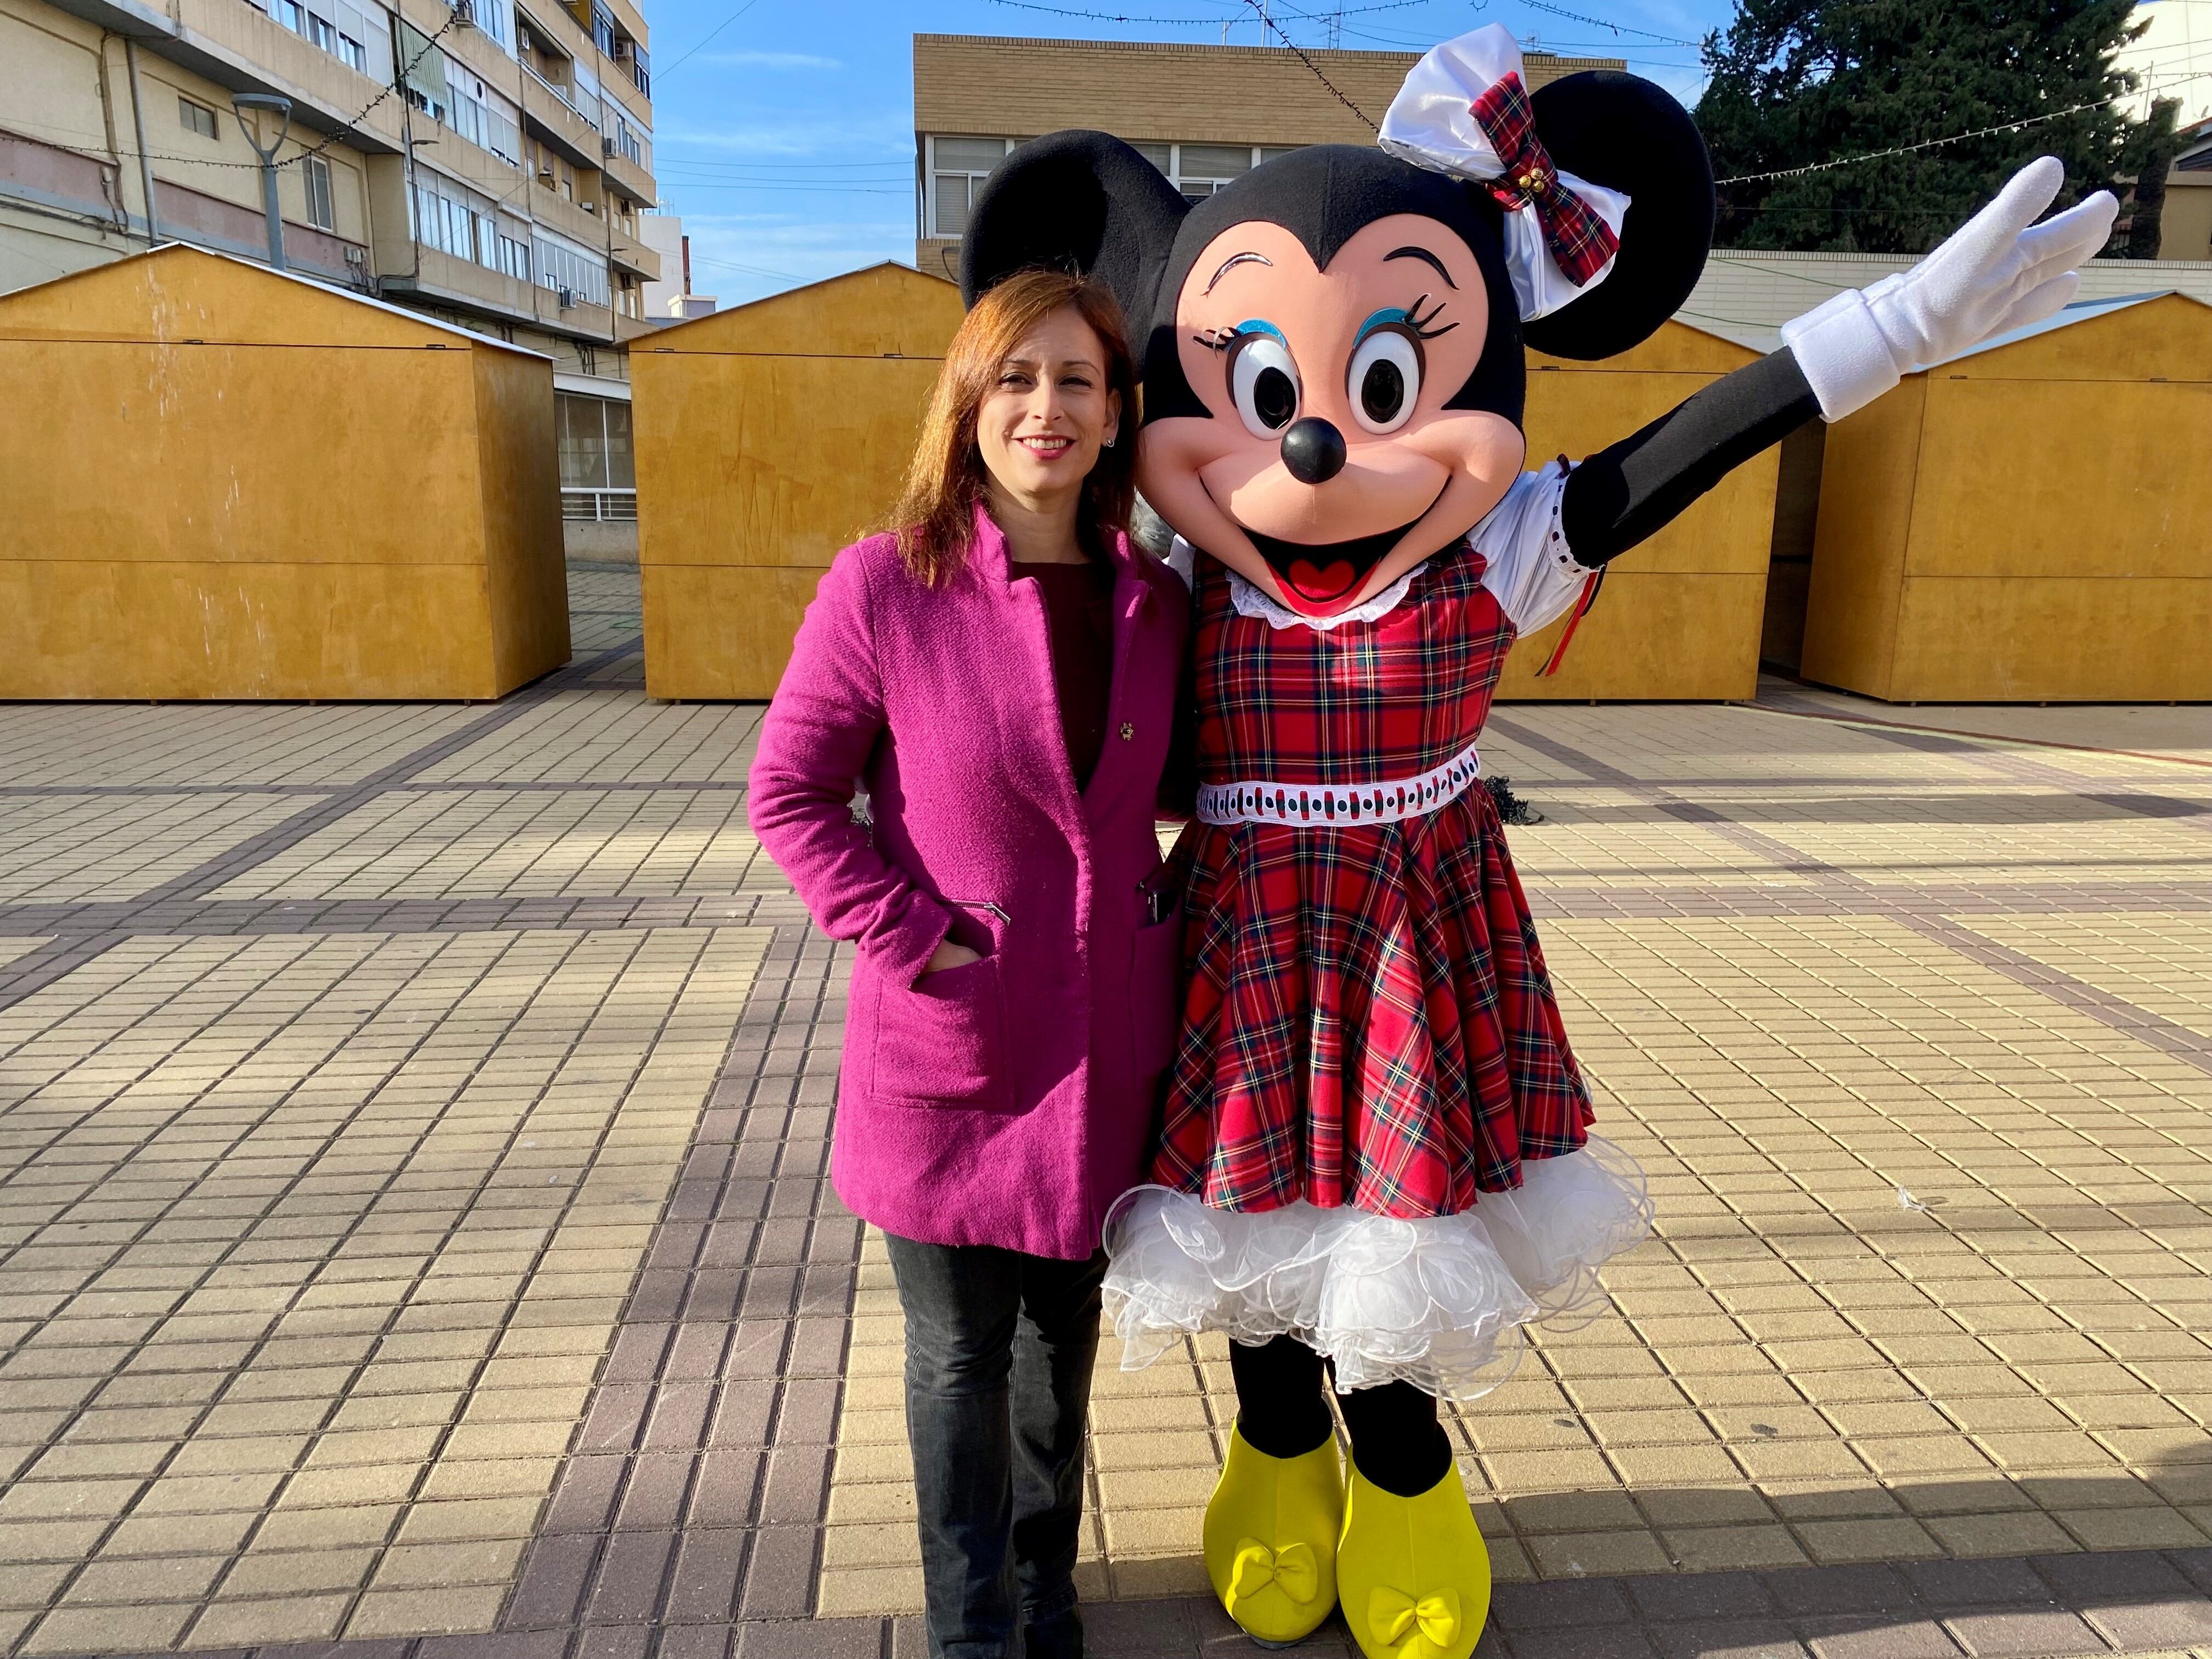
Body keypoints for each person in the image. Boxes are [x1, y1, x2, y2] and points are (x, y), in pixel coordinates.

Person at [951, 27, 2117, 1659]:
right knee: (1250, 1249)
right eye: (1264, 391)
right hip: (1237, 945)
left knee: (1398, 1255)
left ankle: (1408, 1487)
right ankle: (1275, 1469)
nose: (1308, 445)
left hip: (1416, 951)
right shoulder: (1175, 572)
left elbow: (1684, 453)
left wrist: (1892, 329)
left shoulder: (1497, 551)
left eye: (1375, 384)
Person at [747, 268, 1191, 1659]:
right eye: (1015, 379)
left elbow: (1190, 790)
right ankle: (972, 1628)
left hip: (1107, 1040)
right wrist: (910, 932)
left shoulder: (1155, 603)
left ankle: (1049, 1593)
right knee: (959, 1356)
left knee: (1061, 1354)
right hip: (953, 1037)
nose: (1045, 408)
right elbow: (791, 795)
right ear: (969, 403)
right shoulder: (889, 585)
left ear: (1120, 416)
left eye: (1074, 382)